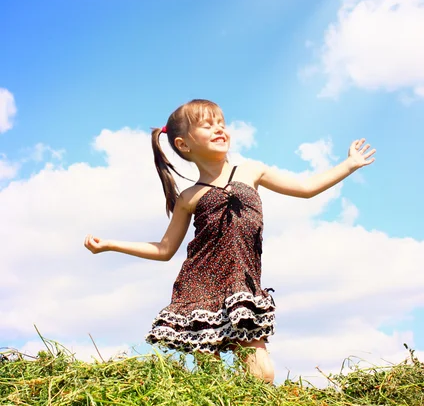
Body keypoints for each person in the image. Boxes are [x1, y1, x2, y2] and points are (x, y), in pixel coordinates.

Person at [84, 99, 376, 384]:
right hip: (198, 286)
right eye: (207, 125)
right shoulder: (188, 197)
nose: (219, 129)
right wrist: (110, 244)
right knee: (209, 377)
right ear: (183, 145)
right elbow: (164, 249)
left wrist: (349, 165)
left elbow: (306, 188)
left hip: (241, 282)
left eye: (222, 123)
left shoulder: (251, 171)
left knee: (261, 373)